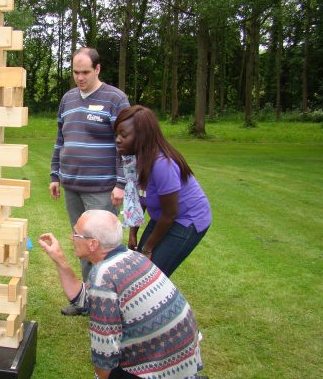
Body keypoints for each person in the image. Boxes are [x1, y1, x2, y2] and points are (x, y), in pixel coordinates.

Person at [38, 210, 205, 379]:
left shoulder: (104, 276)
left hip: (161, 371)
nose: (71, 237)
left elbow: (105, 353)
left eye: (76, 234)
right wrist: (59, 259)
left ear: (93, 244)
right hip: (184, 361)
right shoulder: (132, 257)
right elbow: (84, 299)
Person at [49, 46, 131, 315]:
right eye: (75, 72)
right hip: (72, 185)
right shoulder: (68, 99)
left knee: (104, 246)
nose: (80, 77)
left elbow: (127, 144)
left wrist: (121, 183)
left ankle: (112, 302)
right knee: (83, 243)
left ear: (97, 69)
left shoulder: (116, 99)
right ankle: (87, 300)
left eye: (85, 72)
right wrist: (55, 175)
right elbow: (61, 140)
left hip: (102, 188)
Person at [114, 105, 211, 277]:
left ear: (142, 136)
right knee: (139, 267)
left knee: (151, 274)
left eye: (124, 135)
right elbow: (139, 198)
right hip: (164, 217)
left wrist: (148, 248)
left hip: (187, 219)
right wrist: (132, 234)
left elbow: (171, 213)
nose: (118, 139)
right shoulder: (133, 161)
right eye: (117, 135)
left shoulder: (161, 165)